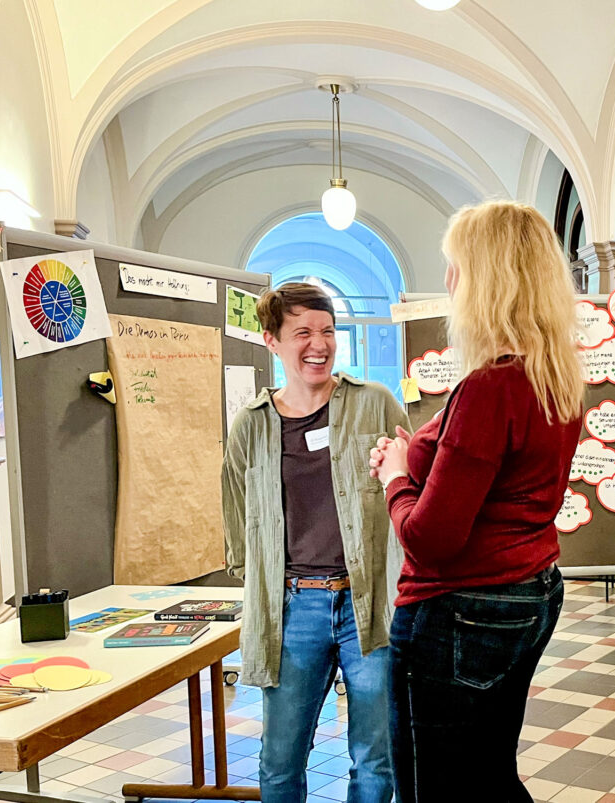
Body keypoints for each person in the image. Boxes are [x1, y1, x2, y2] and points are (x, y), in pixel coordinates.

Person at [369, 200, 585, 803]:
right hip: (529, 589)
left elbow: (432, 539)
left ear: (489, 278)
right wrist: (422, 454)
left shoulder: (489, 386)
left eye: (456, 266)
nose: (447, 281)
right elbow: (497, 476)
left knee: (435, 786)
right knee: (489, 774)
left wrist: (394, 477)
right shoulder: (553, 376)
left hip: (459, 607)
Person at [222, 282, 409, 803]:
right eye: (301, 332)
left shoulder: (374, 404)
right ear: (272, 341)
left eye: (327, 331)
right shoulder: (251, 426)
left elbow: (411, 484)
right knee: (279, 760)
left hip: (368, 603)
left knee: (376, 758)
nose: (318, 344)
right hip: (292, 607)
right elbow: (236, 511)